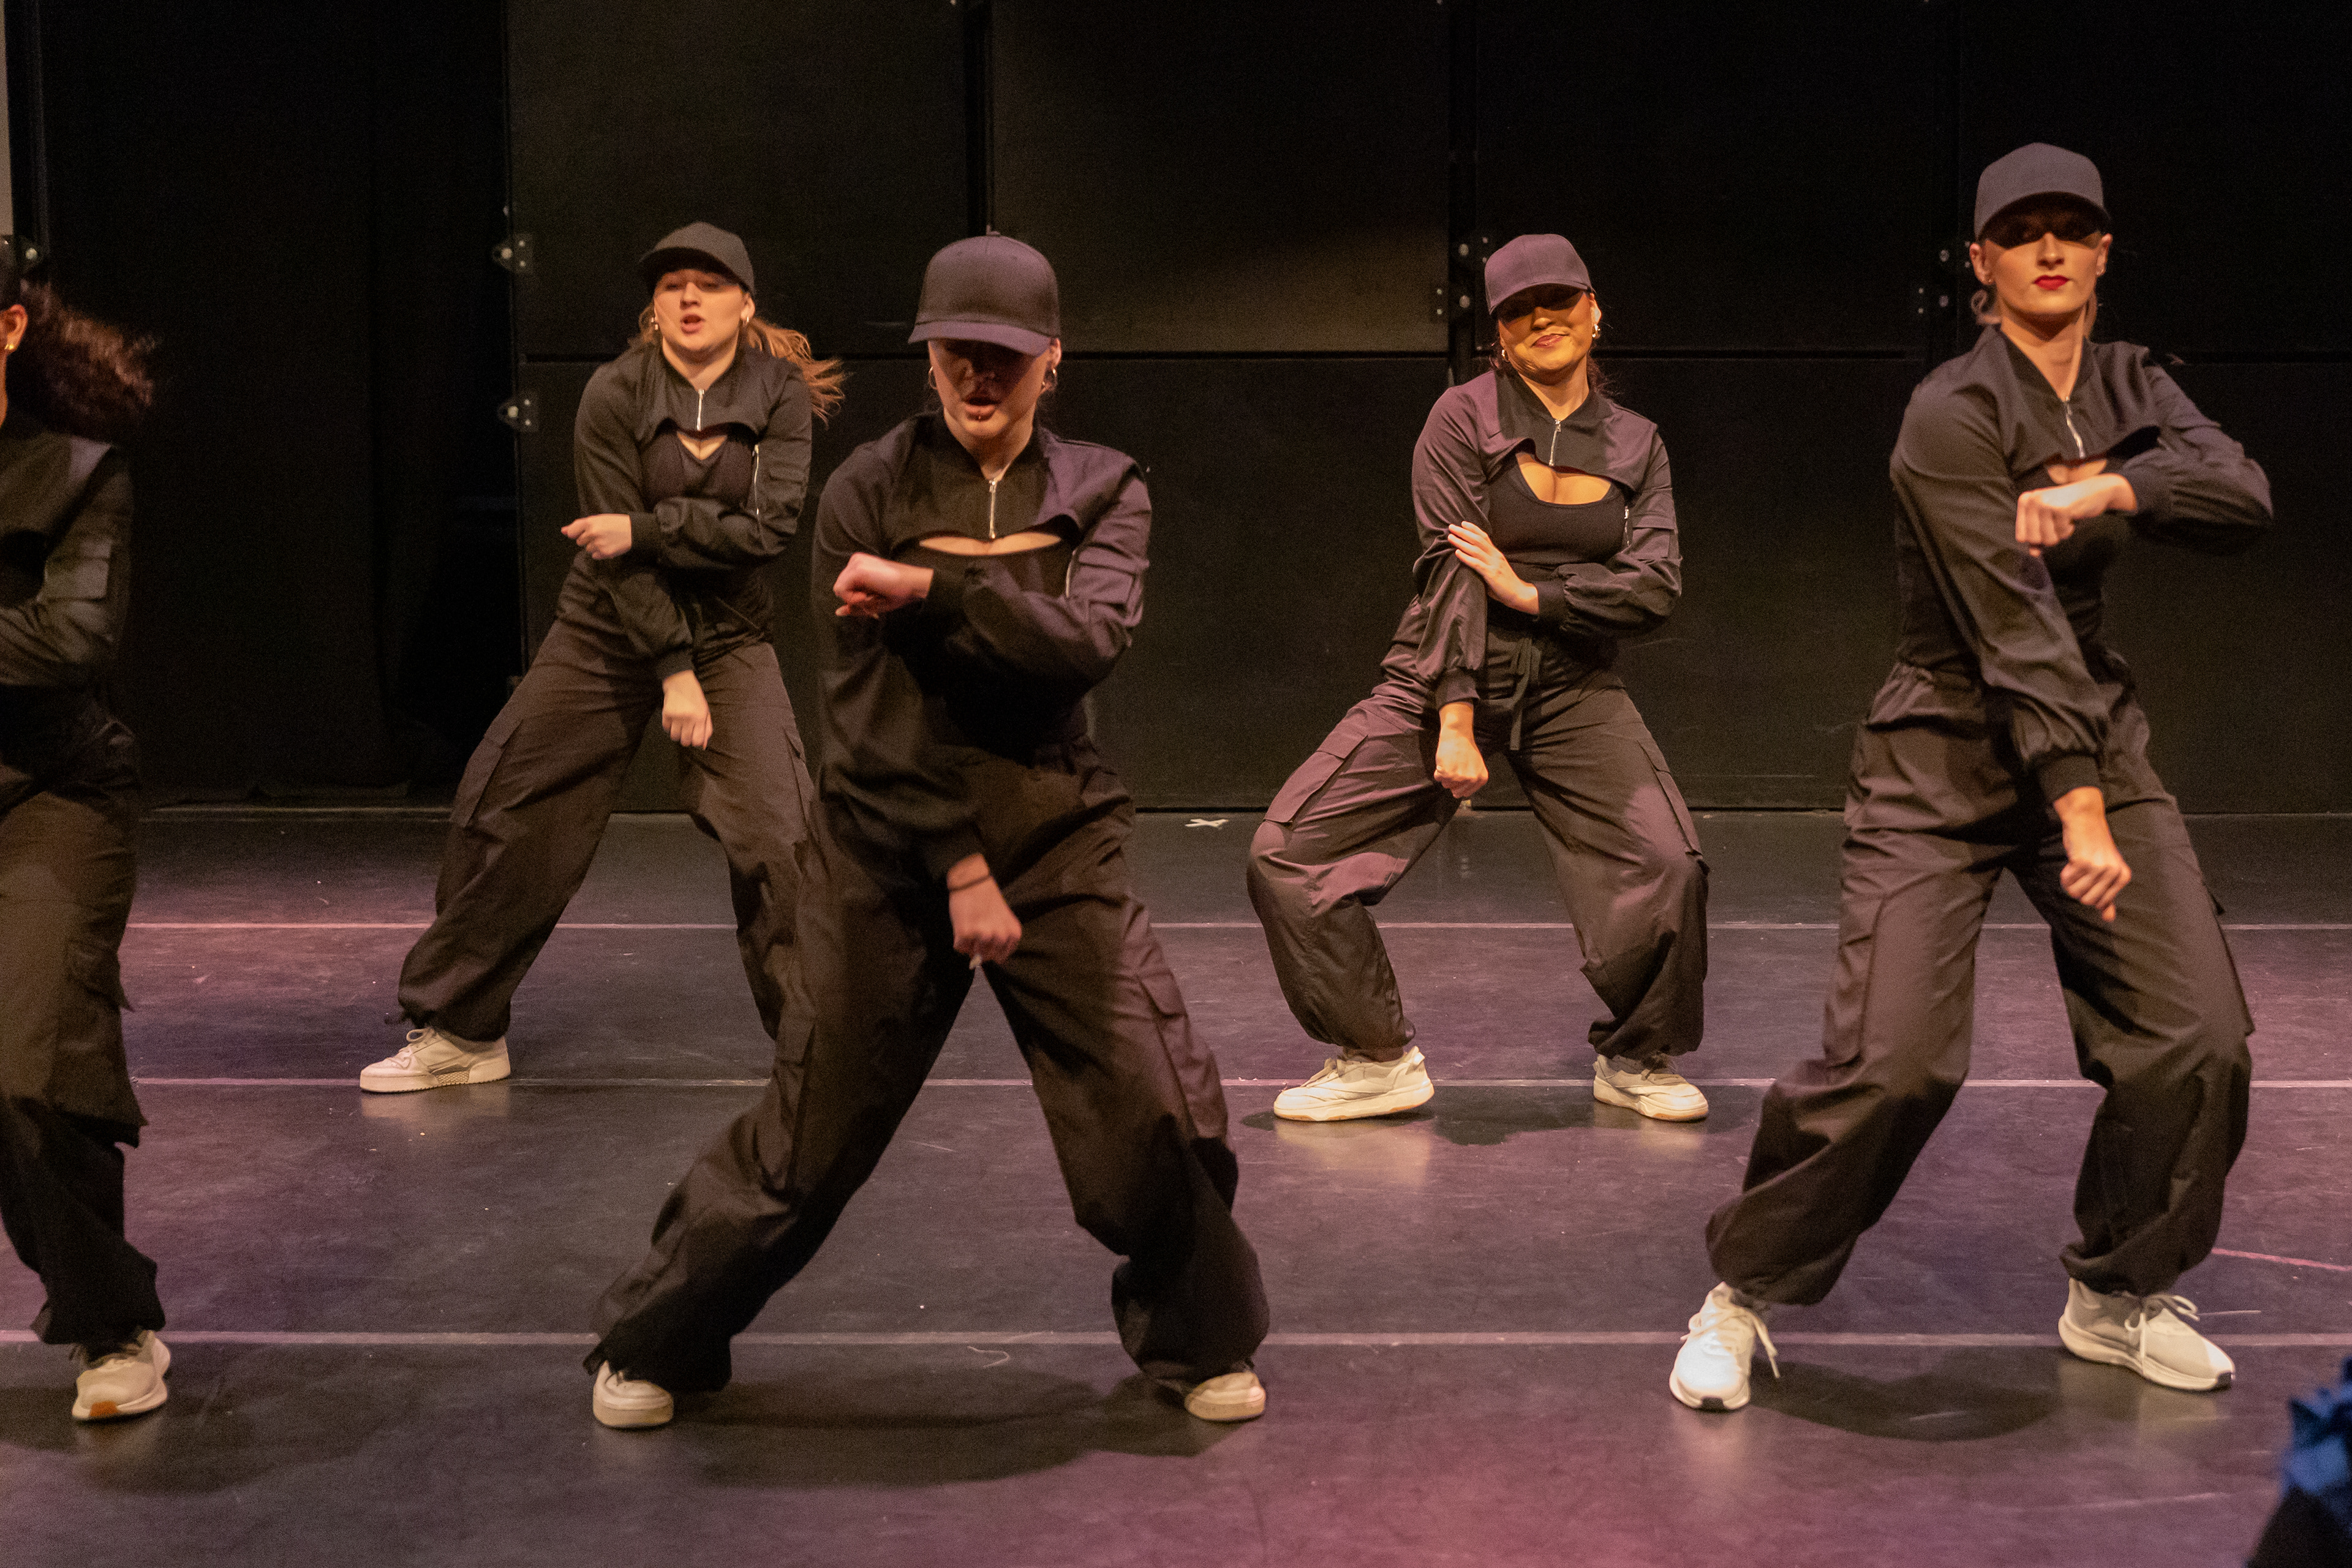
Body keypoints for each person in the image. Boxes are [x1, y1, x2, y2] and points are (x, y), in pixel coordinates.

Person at [586, 234, 1268, 1430]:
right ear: (930, 356)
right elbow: (865, 719)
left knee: (1158, 1101)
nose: (979, 375)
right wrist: (958, 865)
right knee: (810, 1135)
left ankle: (1198, 1336)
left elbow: (1087, 642)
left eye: (1005, 354)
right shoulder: (868, 489)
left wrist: (934, 592)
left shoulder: (1104, 485)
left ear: (1051, 360)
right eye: (958, 352)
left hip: (1055, 834)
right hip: (888, 849)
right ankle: (657, 1337)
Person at [1670, 145, 2272, 1412]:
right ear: (1982, 263)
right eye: (2023, 231)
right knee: (1895, 1065)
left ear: (2103, 253)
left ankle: (2118, 1289)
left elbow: (2240, 493)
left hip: (2093, 728)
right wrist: (2079, 803)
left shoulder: (2132, 382)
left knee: (2198, 1038)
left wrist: (2116, 480)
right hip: (1941, 754)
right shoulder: (1949, 412)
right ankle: (1744, 1290)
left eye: (2073, 229)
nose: (2051, 248)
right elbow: (2012, 623)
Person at [363, 223, 839, 1091]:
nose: (689, 298)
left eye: (709, 284)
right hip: (606, 630)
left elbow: (767, 531)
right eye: (671, 285)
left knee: (780, 836)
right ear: (654, 306)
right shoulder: (615, 392)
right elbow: (610, 557)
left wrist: (648, 529)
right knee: (506, 808)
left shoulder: (778, 394)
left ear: (745, 304)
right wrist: (672, 670)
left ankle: (816, 1051)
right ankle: (463, 1031)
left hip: (729, 634)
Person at [1247, 233, 1709, 1125]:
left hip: (1573, 683)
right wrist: (1456, 719)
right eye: (1518, 310)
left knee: (1669, 865)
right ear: (1498, 331)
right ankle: (1376, 1057)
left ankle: (1637, 1055)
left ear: (1594, 310)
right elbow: (1451, 571)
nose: (1542, 319)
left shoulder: (1637, 442)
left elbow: (1655, 586)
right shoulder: (1462, 418)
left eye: (1559, 301)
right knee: (1290, 852)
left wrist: (1533, 593)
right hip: (1442, 673)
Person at [0, 239, 170, 1420]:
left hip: (50, 795)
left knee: (28, 1081)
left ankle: (111, 1325)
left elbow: (73, 638)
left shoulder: (75, 470)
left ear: (10, 330)